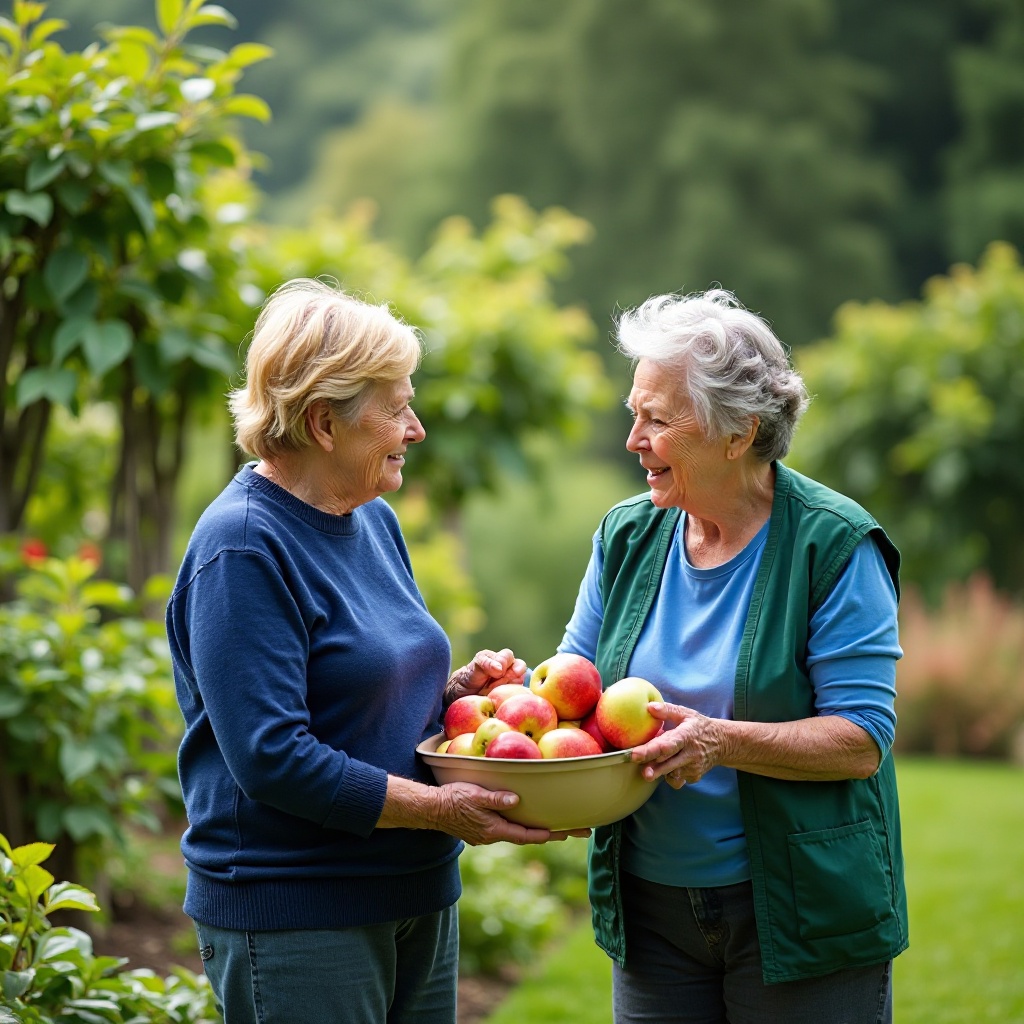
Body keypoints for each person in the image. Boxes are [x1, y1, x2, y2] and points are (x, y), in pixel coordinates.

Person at [166, 278, 584, 1024]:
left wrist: (461, 697)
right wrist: (439, 808)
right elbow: (271, 756)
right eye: (396, 408)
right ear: (324, 423)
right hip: (300, 909)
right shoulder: (242, 546)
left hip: (417, 891)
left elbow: (361, 697)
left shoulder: (372, 520)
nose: (417, 428)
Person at [559, 289, 907, 1023]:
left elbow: (861, 741)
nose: (634, 440)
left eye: (657, 419)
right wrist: (507, 696)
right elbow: (573, 691)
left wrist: (719, 742)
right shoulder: (626, 537)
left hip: (800, 910)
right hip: (653, 914)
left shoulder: (833, 545)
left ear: (737, 433)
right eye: (634, 415)